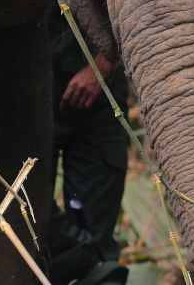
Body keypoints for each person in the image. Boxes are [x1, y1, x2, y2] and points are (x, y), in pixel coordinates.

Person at [48, 17, 130, 285]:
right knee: (27, 216)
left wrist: (103, 64)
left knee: (94, 241)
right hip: (27, 83)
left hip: (99, 93)